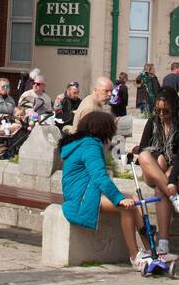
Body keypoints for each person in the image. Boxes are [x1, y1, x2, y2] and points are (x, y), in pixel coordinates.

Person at [59, 111, 149, 272]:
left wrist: (121, 197)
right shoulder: (90, 145)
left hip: (84, 193)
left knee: (134, 199)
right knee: (126, 207)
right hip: (81, 199)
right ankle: (135, 256)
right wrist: (118, 199)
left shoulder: (83, 142)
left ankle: (151, 250)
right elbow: (99, 176)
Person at [129, 87, 179, 260]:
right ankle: (175, 199)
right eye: (158, 110)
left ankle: (163, 245)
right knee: (145, 156)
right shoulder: (153, 122)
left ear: (174, 108)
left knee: (160, 191)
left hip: (177, 171)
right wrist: (159, 157)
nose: (162, 114)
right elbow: (143, 148)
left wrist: (171, 181)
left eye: (166, 111)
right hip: (157, 170)